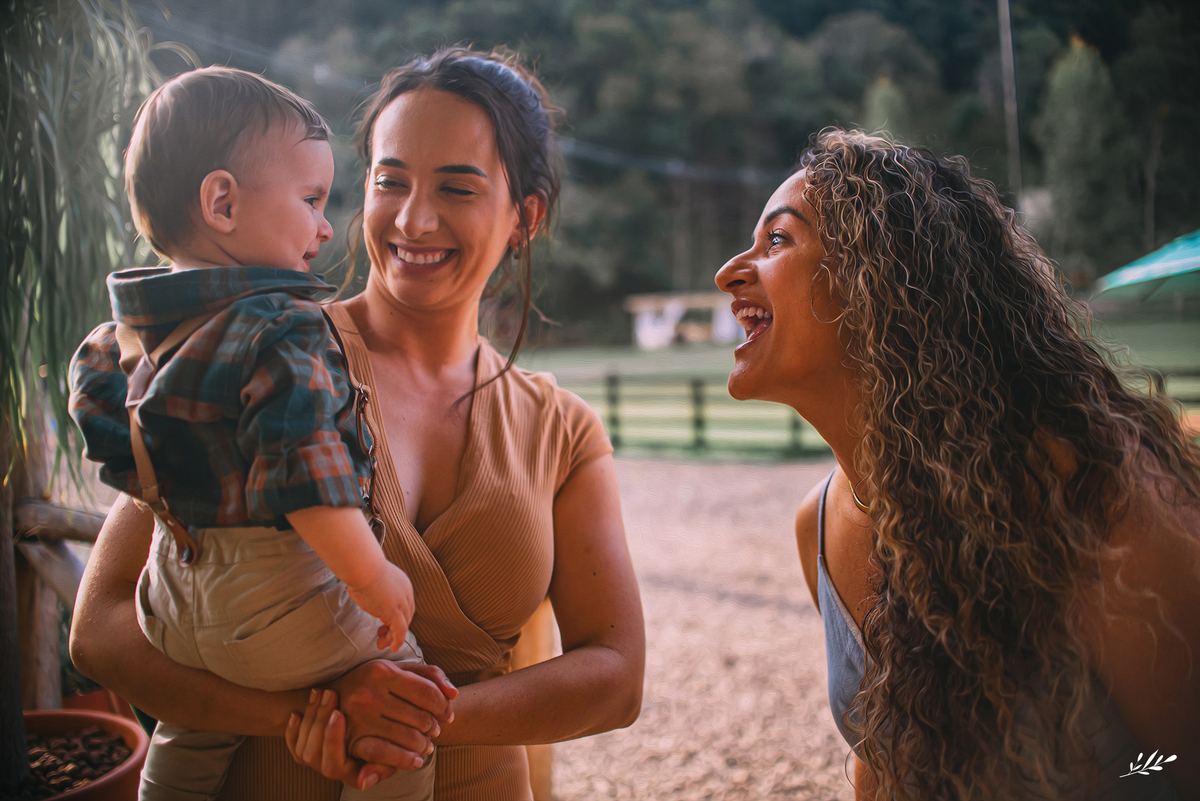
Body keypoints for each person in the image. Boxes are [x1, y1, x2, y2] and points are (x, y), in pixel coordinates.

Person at [69, 48, 645, 801]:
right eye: (389, 181)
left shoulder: (562, 428)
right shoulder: (254, 351)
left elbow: (615, 673)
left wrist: (418, 720)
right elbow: (103, 627)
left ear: (524, 217)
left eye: (457, 187)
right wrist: (305, 712)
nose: (413, 217)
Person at [715, 129, 1199, 800]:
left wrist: (1112, 778)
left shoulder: (1083, 486)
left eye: (777, 241)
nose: (729, 272)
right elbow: (883, 759)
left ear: (875, 279)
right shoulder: (818, 526)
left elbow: (1180, 758)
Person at [68, 66, 438, 801]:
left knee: (188, 724)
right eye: (310, 200)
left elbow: (120, 458)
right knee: (405, 703)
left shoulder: (122, 341)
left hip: (171, 607)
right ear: (223, 202)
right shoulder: (282, 328)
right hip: (278, 606)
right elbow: (307, 474)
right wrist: (373, 577)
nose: (326, 224)